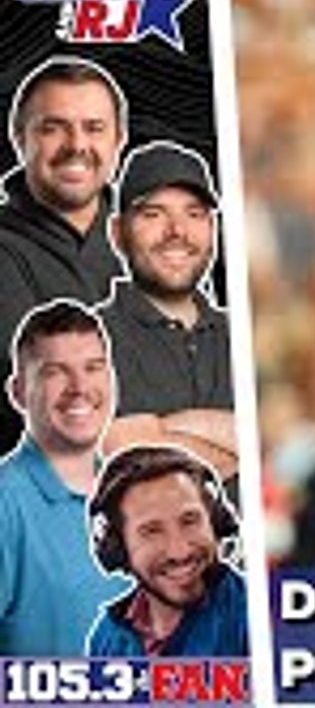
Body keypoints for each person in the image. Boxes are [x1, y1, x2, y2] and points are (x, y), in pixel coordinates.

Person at [0, 56, 128, 452]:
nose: (77, 146)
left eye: (94, 128)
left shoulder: (155, 242)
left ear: (119, 140)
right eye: (54, 128)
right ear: (19, 138)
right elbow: (48, 404)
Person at [98, 141, 236, 479]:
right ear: (117, 234)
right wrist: (233, 438)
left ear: (213, 230)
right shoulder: (89, 337)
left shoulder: (242, 335)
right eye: (153, 214)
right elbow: (114, 449)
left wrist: (160, 431)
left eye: (193, 213)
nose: (177, 231)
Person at [0, 299, 127, 654]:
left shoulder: (135, 494)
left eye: (93, 368)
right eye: (55, 371)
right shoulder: (7, 504)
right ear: (18, 392)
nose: (79, 387)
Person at [86, 443, 247, 657]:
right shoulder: (107, 635)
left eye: (190, 521)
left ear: (214, 520)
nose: (179, 551)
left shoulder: (261, 617)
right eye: (152, 531)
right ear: (118, 544)